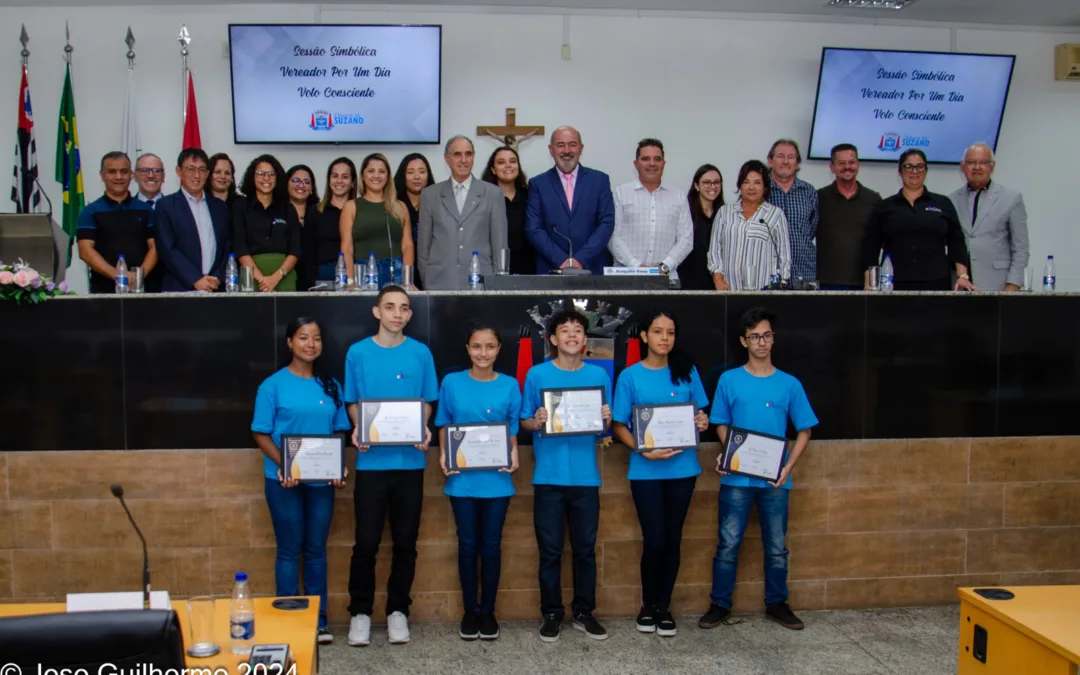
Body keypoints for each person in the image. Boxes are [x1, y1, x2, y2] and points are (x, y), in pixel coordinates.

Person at [699, 307, 818, 631]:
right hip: (736, 478)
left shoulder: (789, 384)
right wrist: (729, 452)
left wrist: (787, 467)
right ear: (744, 341)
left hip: (776, 482)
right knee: (728, 544)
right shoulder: (729, 379)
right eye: (754, 337)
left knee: (777, 548)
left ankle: (777, 604)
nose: (761, 342)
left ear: (773, 339)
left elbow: (804, 430)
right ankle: (719, 605)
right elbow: (721, 423)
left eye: (766, 336)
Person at [344, 285, 437, 648]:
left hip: (410, 462)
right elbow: (353, 401)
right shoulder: (358, 353)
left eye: (403, 308)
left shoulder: (421, 353)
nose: (397, 314)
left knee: (405, 543)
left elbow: (427, 401)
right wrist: (358, 427)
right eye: (390, 307)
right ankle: (360, 613)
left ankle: (398, 611)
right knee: (365, 543)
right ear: (376, 312)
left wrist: (423, 425)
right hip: (371, 463)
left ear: (410, 315)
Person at [251, 317, 350, 645]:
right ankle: (289, 620)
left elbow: (339, 431)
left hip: (321, 482)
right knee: (290, 550)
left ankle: (318, 622)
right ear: (290, 342)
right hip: (284, 481)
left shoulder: (331, 385)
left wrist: (338, 467)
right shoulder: (272, 385)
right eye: (304, 337)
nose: (311, 344)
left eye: (317, 338)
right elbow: (260, 432)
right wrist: (287, 465)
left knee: (316, 549)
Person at [611, 310, 709, 637]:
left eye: (669, 332)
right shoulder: (630, 376)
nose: (664, 338)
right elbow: (619, 425)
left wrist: (702, 422)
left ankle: (664, 607)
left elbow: (700, 415)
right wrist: (642, 449)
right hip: (646, 470)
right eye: (657, 332)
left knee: (673, 538)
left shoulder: (687, 371)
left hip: (683, 469)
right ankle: (648, 605)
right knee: (655, 539)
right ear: (644, 336)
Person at [520, 308, 612, 643]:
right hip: (548, 477)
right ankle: (552, 613)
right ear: (553, 339)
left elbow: (603, 428)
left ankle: (585, 612)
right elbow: (525, 422)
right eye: (565, 330)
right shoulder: (537, 375)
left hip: (586, 479)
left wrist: (605, 418)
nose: (572, 336)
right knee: (550, 551)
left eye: (577, 331)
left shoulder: (599, 377)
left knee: (585, 549)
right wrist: (537, 419)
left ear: (584, 340)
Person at [435, 324, 521, 642]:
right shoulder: (452, 383)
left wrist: (514, 454)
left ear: (498, 350)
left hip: (497, 480)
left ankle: (489, 612)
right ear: (467, 349)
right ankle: (470, 610)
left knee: (492, 546)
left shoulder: (511, 386)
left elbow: (512, 430)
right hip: (462, 480)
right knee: (468, 545)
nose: (482, 353)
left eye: (489, 346)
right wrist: (445, 455)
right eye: (476, 346)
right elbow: (444, 423)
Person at [864, 149, 976, 292]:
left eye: (919, 166)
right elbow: (870, 247)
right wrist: (869, 283)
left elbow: (956, 241)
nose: (914, 171)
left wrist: (963, 276)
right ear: (900, 171)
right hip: (894, 283)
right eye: (908, 166)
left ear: (926, 171)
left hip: (936, 281)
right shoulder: (885, 206)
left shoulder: (942, 203)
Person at [417, 135, 508, 289]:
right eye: (457, 154)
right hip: (439, 283)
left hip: (480, 283)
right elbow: (423, 248)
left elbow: (500, 245)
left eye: (468, 154)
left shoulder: (493, 194)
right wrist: (428, 280)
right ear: (447, 158)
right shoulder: (429, 195)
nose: (463, 160)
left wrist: (496, 284)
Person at [525, 127, 615, 274]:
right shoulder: (538, 184)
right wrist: (561, 259)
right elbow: (533, 228)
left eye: (572, 144)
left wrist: (580, 259)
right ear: (551, 149)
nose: (567, 150)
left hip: (592, 267)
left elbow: (606, 223)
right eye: (560, 145)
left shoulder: (600, 180)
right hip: (551, 267)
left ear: (581, 148)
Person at [947, 143, 1029, 291]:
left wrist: (1013, 286)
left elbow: (1021, 247)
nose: (977, 167)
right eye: (971, 162)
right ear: (962, 166)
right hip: (959, 285)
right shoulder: (951, 200)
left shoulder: (1011, 198)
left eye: (983, 162)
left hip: (997, 285)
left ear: (992, 166)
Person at [609, 139, 693, 283]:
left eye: (657, 159)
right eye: (645, 159)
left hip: (666, 279)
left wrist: (665, 266)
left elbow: (686, 239)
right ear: (636, 164)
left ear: (664, 164)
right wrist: (637, 267)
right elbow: (612, 236)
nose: (652, 164)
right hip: (626, 278)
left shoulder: (678, 196)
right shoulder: (620, 194)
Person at [76, 151, 159, 293]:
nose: (119, 177)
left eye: (124, 171)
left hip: (142, 290)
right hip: (103, 292)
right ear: (102, 175)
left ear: (131, 175)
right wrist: (120, 276)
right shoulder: (89, 211)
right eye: (112, 172)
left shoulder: (147, 210)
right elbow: (85, 251)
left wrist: (138, 276)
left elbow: (155, 248)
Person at [153, 147, 230, 292]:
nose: (196, 175)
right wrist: (195, 279)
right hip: (180, 289)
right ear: (178, 171)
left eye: (202, 170)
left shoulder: (219, 207)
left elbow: (226, 246)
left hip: (215, 288)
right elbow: (167, 249)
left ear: (207, 174)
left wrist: (217, 277)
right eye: (190, 169)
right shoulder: (166, 206)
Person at [707, 160, 791, 291]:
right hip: (729, 290)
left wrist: (782, 283)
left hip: (764, 292)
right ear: (740, 186)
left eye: (757, 182)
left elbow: (784, 255)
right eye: (746, 182)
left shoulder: (775, 215)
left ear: (765, 187)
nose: (751, 187)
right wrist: (718, 280)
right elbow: (714, 251)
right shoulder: (725, 212)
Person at [340, 153, 414, 287]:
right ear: (362, 176)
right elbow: (347, 247)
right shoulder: (351, 206)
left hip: (395, 270)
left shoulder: (400, 207)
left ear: (387, 176)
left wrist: (408, 280)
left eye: (381, 171)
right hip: (363, 271)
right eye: (371, 171)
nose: (376, 176)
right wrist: (350, 280)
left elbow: (407, 245)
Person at [816, 144, 882, 290]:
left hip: (864, 283)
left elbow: (878, 242)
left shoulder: (874, 199)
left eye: (851, 162)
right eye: (841, 163)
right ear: (832, 167)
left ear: (858, 165)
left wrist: (872, 279)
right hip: (826, 281)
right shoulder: (818, 198)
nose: (847, 167)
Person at [233, 155, 302, 292]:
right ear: (252, 177)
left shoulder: (288, 208)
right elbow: (240, 246)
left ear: (278, 178)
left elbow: (296, 249)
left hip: (283, 276)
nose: (266, 178)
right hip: (251, 277)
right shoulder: (240, 206)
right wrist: (262, 280)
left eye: (271, 174)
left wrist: (275, 278)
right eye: (260, 174)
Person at [766, 140, 818, 282]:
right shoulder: (761, 191)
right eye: (780, 156)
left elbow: (812, 228)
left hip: (803, 270)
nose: (786, 161)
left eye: (791, 157)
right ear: (770, 161)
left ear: (797, 163)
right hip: (769, 272)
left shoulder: (809, 191)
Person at [303, 157, 357, 288]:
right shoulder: (315, 211)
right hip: (323, 275)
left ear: (353, 182)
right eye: (335, 176)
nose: (339, 181)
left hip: (354, 274)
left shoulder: (359, 211)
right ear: (329, 180)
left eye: (345, 177)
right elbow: (308, 251)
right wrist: (312, 280)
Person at [481, 146, 535, 275]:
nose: (508, 166)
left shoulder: (531, 196)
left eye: (512, 161)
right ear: (493, 169)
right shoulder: (483, 198)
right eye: (501, 162)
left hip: (528, 267)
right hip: (493, 266)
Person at [679, 164, 724, 290]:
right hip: (688, 282)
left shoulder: (725, 214)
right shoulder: (685, 212)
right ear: (696, 186)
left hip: (716, 284)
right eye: (707, 182)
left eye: (716, 182)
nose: (712, 186)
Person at [394, 153, 435, 289]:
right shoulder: (394, 205)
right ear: (402, 176)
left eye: (422, 172)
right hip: (400, 269)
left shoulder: (438, 202)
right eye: (410, 172)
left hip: (431, 269)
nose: (417, 177)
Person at [286, 165, 320, 290]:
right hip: (285, 277)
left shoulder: (319, 212)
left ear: (311, 188)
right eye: (296, 181)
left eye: (306, 182)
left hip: (315, 279)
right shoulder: (278, 213)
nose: (301, 185)